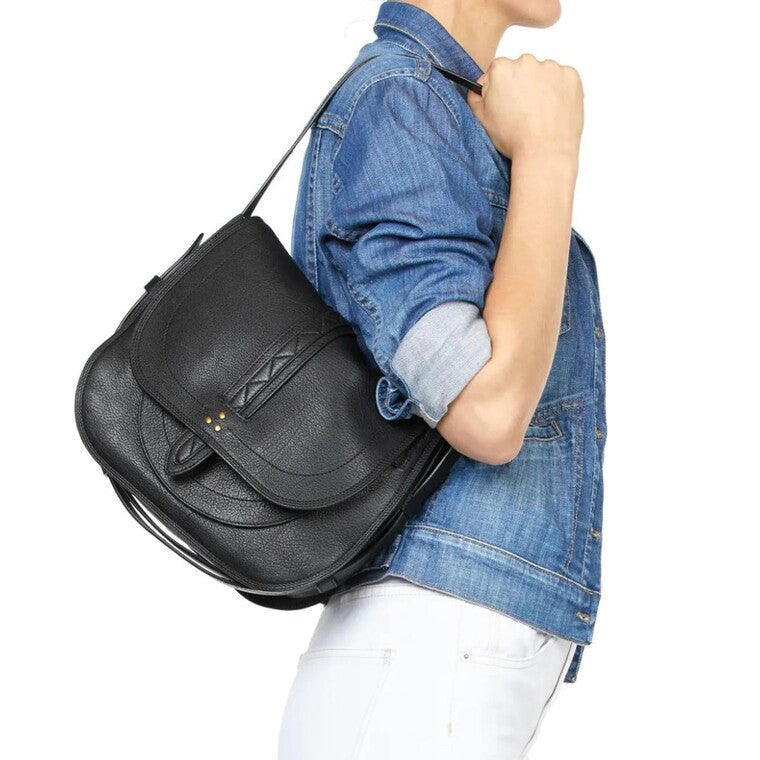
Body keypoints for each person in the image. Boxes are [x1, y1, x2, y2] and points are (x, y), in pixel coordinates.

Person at [278, 1, 606, 757]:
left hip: (431, 650)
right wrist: (550, 154)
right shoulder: (403, 101)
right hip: (425, 646)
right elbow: (484, 409)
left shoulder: (440, 105)